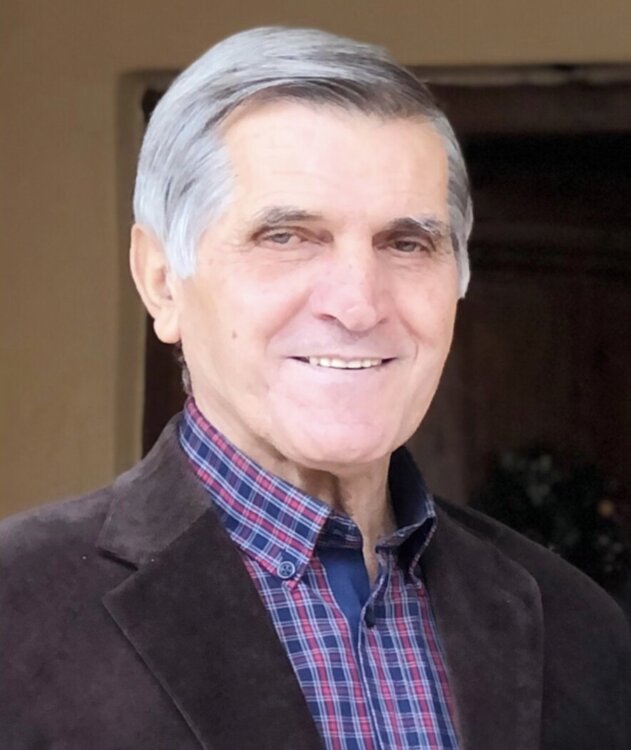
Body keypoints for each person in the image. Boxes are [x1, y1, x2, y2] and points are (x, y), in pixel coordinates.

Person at [1, 26, 629, 750]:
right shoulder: (16, 617)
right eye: (287, 237)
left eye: (406, 243)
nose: (358, 305)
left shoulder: (575, 627)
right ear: (161, 280)